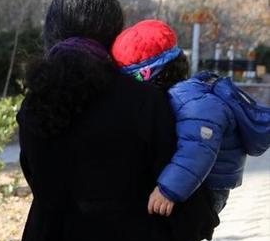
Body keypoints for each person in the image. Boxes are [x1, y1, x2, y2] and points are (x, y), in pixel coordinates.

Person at [7, 0, 212, 241]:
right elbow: (185, 200)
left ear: (52, 33)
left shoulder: (34, 104)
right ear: (115, 35)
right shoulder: (146, 101)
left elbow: (35, 178)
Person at [111, 19, 270, 215]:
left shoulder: (193, 101)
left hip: (208, 188)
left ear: (150, 76)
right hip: (200, 182)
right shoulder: (184, 95)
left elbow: (197, 150)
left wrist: (168, 190)